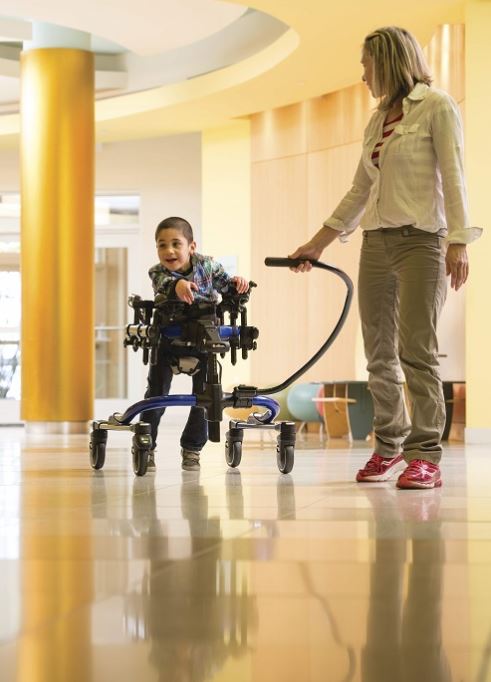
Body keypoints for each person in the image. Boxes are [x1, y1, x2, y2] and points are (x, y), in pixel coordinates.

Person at [289, 26, 482, 489]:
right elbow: (360, 189)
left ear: (389, 62)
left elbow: (454, 174)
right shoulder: (377, 121)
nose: (363, 75)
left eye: (366, 65)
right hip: (375, 243)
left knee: (416, 351)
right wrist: (317, 243)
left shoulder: (437, 106)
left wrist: (458, 240)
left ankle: (425, 456)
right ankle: (389, 445)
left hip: (422, 242)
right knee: (377, 353)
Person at [140, 216, 249, 472]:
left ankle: (192, 448)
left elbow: (229, 289)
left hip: (204, 338)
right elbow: (164, 285)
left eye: (176, 244)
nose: (169, 251)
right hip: (168, 338)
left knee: (207, 396)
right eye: (162, 245)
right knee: (156, 393)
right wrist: (177, 285)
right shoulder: (157, 272)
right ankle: (146, 444)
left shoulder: (208, 266)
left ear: (191, 246)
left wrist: (238, 285)